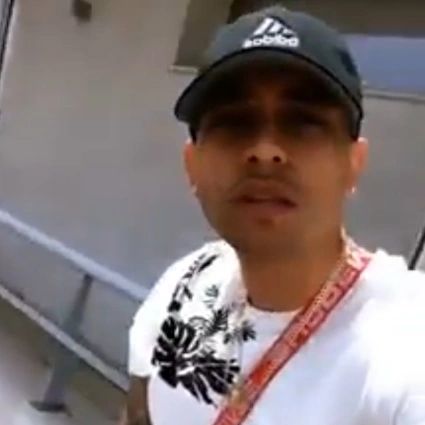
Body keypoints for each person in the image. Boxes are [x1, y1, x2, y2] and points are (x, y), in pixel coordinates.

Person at [120, 5, 425, 425]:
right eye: (234, 123)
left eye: (304, 124)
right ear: (192, 165)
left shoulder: (401, 343)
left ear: (353, 164)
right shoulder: (185, 282)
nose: (265, 151)